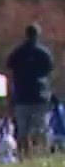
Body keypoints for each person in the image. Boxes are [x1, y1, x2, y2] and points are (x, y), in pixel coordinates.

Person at [7, 23, 53, 155]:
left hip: (22, 96)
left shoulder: (18, 52)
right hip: (40, 95)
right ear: (38, 34)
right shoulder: (44, 53)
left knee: (23, 130)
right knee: (41, 128)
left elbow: (9, 67)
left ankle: (25, 155)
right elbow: (49, 71)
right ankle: (43, 152)